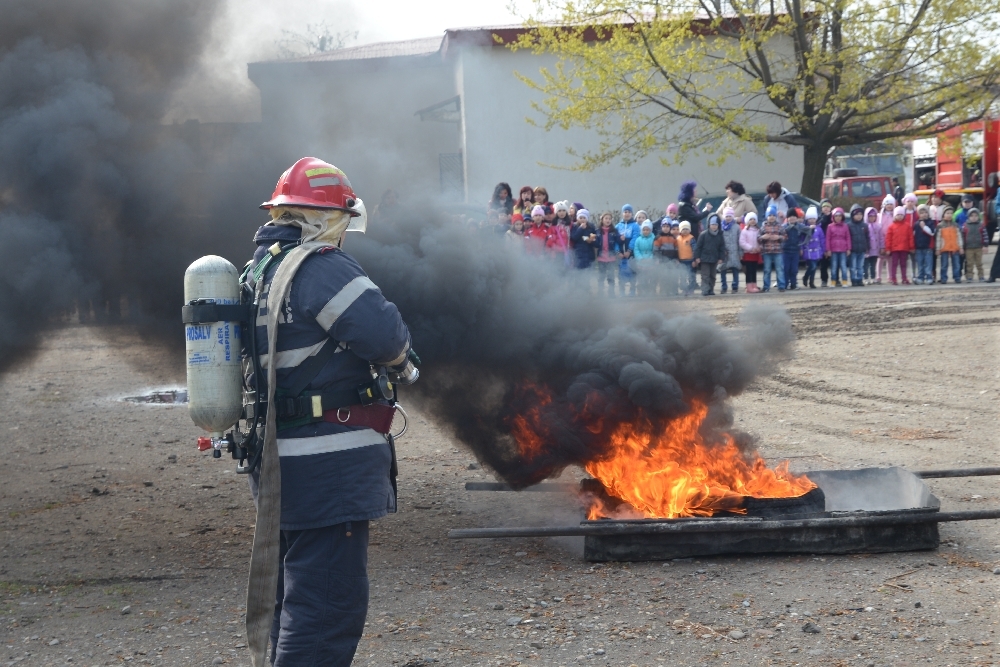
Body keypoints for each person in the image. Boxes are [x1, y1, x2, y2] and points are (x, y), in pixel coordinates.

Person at [247, 157, 414, 666]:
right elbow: (385, 335)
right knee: (324, 610)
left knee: (293, 602)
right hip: (327, 467)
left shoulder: (260, 270)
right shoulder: (320, 266)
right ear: (327, 217)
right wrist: (404, 363)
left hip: (280, 462)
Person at [693, 214, 727, 296]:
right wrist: (697, 257)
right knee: (705, 275)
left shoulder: (720, 236)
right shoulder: (703, 234)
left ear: (718, 225)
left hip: (714, 259)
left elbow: (722, 248)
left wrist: (721, 258)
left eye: (716, 225)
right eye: (712, 224)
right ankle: (705, 290)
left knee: (712, 276)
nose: (714, 226)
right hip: (704, 259)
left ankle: (711, 289)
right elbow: (698, 247)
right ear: (709, 225)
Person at [758, 206, 787, 292]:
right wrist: (763, 237)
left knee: (779, 269)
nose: (772, 217)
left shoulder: (779, 226)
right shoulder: (763, 227)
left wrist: (779, 237)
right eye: (770, 215)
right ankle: (766, 286)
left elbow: (785, 236)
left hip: (778, 251)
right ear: (767, 216)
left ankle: (781, 286)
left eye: (774, 215)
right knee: (767, 270)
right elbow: (758, 238)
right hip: (767, 252)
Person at [595, 212, 623, 295]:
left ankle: (611, 293)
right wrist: (593, 240)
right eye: (606, 218)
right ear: (602, 220)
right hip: (601, 257)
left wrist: (621, 239)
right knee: (601, 276)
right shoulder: (597, 231)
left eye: (610, 219)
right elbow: (596, 244)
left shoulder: (614, 231)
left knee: (611, 277)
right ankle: (600, 293)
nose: (608, 220)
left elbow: (619, 241)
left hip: (611, 257)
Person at [884, 206, 914, 284]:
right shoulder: (891, 226)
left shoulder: (907, 226)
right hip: (895, 249)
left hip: (904, 248)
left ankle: (904, 278)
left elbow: (910, 237)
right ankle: (893, 278)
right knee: (894, 264)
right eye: (898, 215)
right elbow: (888, 238)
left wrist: (911, 247)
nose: (900, 216)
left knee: (903, 264)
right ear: (895, 216)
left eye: (901, 215)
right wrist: (888, 248)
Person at [935, 206, 963, 284]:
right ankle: (943, 278)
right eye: (947, 213)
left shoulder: (956, 225)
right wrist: (937, 248)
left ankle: (957, 277)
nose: (949, 215)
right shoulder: (940, 225)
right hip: (944, 248)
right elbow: (938, 238)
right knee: (944, 264)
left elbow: (959, 237)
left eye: (951, 213)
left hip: (955, 247)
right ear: (943, 215)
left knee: (956, 264)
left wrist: (961, 247)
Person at [781, 208, 807, 290]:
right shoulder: (783, 227)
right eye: (790, 216)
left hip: (796, 251)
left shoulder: (800, 226)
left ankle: (793, 284)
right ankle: (785, 284)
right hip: (785, 251)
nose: (792, 218)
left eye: (794, 216)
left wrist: (812, 228)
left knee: (794, 269)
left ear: (797, 217)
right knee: (786, 268)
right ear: (787, 218)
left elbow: (808, 231)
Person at [825, 207, 851, 287]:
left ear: (842, 217)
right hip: (833, 250)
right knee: (834, 266)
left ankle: (844, 281)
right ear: (833, 217)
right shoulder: (830, 226)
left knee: (843, 266)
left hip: (843, 250)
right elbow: (828, 238)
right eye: (836, 216)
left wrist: (849, 248)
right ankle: (833, 281)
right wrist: (828, 249)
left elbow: (848, 237)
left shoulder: (845, 226)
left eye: (840, 216)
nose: (838, 218)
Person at [719, 207, 742, 294]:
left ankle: (735, 287)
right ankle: (724, 287)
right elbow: (719, 241)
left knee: (735, 270)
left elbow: (739, 241)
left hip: (734, 252)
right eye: (726, 216)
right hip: (724, 253)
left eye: (730, 216)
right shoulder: (720, 227)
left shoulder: (737, 227)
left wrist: (740, 253)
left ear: (733, 216)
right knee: (722, 270)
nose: (728, 218)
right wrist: (721, 251)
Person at [630, 220, 657, 295]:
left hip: (650, 262)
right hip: (641, 262)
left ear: (650, 230)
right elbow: (636, 249)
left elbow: (654, 250)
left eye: (647, 230)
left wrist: (650, 258)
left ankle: (651, 291)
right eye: (644, 230)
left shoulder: (654, 239)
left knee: (651, 277)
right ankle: (641, 292)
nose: (645, 231)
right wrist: (640, 258)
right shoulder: (638, 239)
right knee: (641, 277)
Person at [962, 208, 989, 282]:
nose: (974, 217)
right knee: (969, 263)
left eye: (976, 216)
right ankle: (969, 276)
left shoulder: (981, 225)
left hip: (979, 247)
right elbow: (962, 236)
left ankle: (981, 276)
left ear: (978, 216)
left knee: (979, 263)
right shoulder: (965, 225)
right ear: (968, 217)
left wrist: (985, 245)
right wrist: (962, 247)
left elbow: (985, 236)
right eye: (972, 216)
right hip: (968, 248)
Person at [846, 204, 870, 287]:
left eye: (860, 214)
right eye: (856, 214)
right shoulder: (849, 225)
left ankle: (860, 280)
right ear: (852, 215)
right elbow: (848, 238)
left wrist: (867, 247)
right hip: (853, 250)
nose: (859, 216)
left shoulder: (865, 225)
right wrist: (848, 248)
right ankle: (854, 280)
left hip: (862, 250)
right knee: (853, 267)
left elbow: (867, 237)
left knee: (860, 266)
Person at [654, 220, 680, 296]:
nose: (666, 228)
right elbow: (655, 249)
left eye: (667, 226)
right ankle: (663, 291)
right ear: (661, 227)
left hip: (672, 260)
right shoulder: (658, 237)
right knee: (663, 276)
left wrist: (677, 258)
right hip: (662, 260)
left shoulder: (673, 238)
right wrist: (658, 258)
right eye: (664, 226)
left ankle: (672, 290)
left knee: (672, 275)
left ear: (670, 228)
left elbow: (676, 249)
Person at [802, 207, 825, 289]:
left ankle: (811, 282)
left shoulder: (819, 229)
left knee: (814, 268)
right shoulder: (805, 228)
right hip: (808, 251)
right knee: (812, 266)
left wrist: (823, 249)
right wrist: (802, 249)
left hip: (817, 251)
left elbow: (822, 240)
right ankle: (805, 277)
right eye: (810, 218)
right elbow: (802, 239)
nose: (812, 220)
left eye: (813, 218)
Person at [912, 205, 936, 285]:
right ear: (918, 214)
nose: (924, 214)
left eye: (926, 212)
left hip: (928, 247)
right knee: (920, 264)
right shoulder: (916, 224)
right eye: (921, 213)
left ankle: (929, 277)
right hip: (919, 247)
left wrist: (924, 227)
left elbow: (932, 233)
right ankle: (920, 277)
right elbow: (913, 235)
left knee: (928, 263)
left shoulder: (930, 222)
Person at [875, 195, 896, 284]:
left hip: (891, 239)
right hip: (881, 239)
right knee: (880, 258)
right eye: (888, 204)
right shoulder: (879, 216)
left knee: (889, 259)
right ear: (884, 205)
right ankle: (878, 276)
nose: (889, 206)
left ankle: (890, 276)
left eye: (891, 204)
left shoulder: (894, 215)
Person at [739, 212, 762, 292]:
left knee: (754, 270)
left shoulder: (758, 230)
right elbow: (742, 242)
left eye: (754, 219)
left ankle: (754, 285)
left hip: (756, 254)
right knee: (749, 271)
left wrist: (759, 248)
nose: (752, 221)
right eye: (750, 219)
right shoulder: (744, 231)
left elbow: (761, 240)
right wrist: (751, 248)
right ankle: (749, 287)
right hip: (748, 254)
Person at [677, 221, 697, 295]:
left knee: (691, 276)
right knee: (682, 276)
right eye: (683, 229)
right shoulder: (678, 239)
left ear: (689, 230)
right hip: (681, 260)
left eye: (687, 229)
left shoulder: (691, 238)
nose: (685, 231)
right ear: (680, 230)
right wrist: (677, 259)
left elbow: (695, 249)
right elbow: (676, 250)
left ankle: (691, 289)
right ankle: (684, 289)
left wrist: (694, 260)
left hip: (690, 260)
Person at [864, 207, 882, 285]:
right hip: (867, 249)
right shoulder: (865, 226)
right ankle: (865, 278)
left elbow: (881, 238)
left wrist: (882, 247)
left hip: (875, 249)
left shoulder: (878, 226)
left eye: (874, 216)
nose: (872, 218)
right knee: (865, 265)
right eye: (870, 216)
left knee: (873, 265)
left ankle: (873, 277)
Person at [817, 199, 833, 286]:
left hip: (833, 243)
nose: (826, 208)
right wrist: (825, 217)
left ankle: (835, 279)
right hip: (822, 243)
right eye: (824, 206)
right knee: (823, 264)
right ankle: (824, 280)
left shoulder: (834, 217)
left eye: (828, 206)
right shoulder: (820, 217)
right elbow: (820, 224)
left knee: (834, 263)